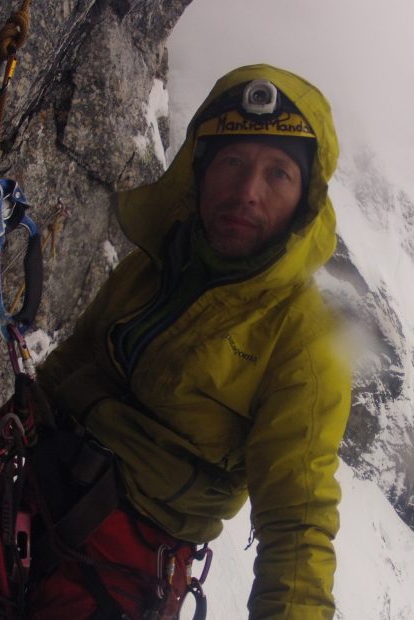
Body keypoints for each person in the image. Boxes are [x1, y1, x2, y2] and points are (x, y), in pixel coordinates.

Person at [27, 64, 350, 620]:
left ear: (304, 203)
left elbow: (297, 523)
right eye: (232, 162)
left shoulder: (302, 343)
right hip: (35, 473)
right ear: (199, 171)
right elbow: (71, 364)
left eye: (278, 174)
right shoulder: (158, 263)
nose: (247, 192)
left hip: (119, 561)